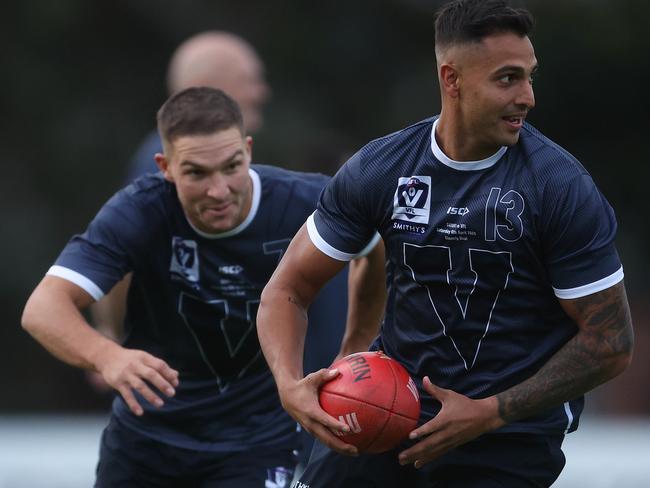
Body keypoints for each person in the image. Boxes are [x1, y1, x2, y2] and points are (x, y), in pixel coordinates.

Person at [256, 1, 635, 487]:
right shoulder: (381, 169)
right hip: (389, 416)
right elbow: (287, 290)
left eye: (529, 77)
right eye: (507, 79)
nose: (527, 97)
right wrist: (290, 387)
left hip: (507, 438)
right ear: (451, 79)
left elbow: (612, 343)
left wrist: (491, 412)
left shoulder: (560, 187)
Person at [21, 87, 383, 487]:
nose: (219, 190)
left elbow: (374, 248)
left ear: (248, 150)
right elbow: (42, 308)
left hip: (258, 442)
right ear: (165, 167)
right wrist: (107, 356)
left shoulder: (304, 200)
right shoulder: (139, 211)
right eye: (197, 173)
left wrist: (357, 344)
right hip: (145, 440)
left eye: (231, 166)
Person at [127, 30, 271, 180]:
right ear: (205, 89)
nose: (261, 94)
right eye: (246, 81)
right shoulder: (173, 164)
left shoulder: (190, 155)